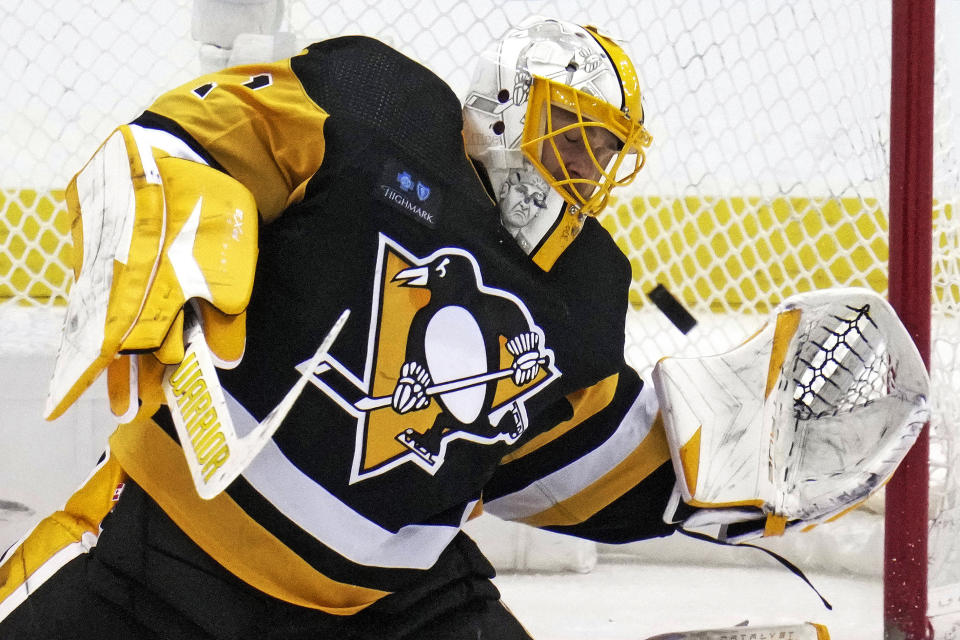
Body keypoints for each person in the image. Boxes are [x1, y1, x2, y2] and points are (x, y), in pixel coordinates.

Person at [0, 16, 672, 639]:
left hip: (387, 608)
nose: (585, 163)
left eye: (605, 149)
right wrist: (183, 224)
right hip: (163, 558)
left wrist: (723, 455)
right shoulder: (378, 105)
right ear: (508, 99)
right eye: (572, 127)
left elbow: (583, 462)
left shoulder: (583, 291)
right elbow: (201, 132)